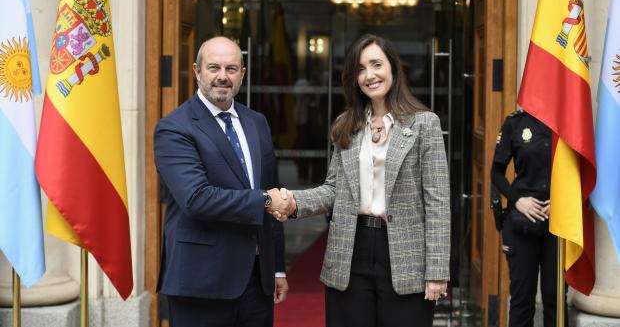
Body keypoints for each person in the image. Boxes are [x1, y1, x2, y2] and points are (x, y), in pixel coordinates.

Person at [274, 34, 451, 327]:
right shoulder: (347, 124)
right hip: (349, 253)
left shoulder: (424, 124)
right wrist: (293, 202)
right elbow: (333, 189)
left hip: (406, 257)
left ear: (393, 68)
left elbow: (438, 201)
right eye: (359, 68)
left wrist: (436, 270)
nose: (369, 75)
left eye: (376, 64)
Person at [154, 36, 290, 327]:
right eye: (214, 67)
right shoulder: (174, 128)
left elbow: (272, 193)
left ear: (242, 74)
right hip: (201, 283)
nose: (222, 76)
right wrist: (265, 200)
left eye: (231, 68)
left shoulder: (257, 122)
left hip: (257, 281)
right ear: (197, 71)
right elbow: (196, 198)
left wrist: (277, 269)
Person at [491, 109, 563, 327]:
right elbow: (496, 172)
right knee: (522, 300)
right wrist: (518, 200)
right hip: (522, 223)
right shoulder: (516, 123)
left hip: (559, 223)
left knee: (555, 299)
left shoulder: (567, 122)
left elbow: (582, 170)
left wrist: (563, 201)